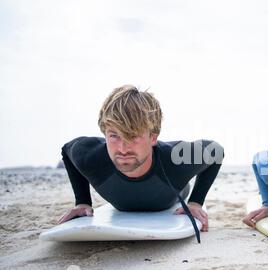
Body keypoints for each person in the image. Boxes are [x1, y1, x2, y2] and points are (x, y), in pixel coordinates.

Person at [58, 85, 224, 243]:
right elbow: (66, 150)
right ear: (104, 133)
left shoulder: (176, 160)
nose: (123, 149)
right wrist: (82, 201)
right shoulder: (90, 156)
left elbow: (216, 151)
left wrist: (195, 202)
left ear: (153, 137)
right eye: (114, 135)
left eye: (133, 136)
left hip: (174, 192)